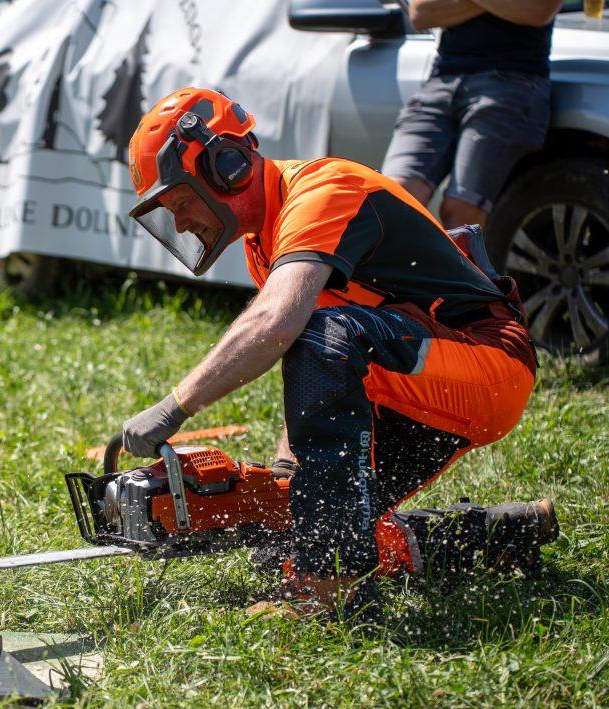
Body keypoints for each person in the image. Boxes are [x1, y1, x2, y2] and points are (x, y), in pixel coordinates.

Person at [121, 87, 556, 622]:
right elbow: (309, 355)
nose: (182, 223)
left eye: (182, 203)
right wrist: (288, 476)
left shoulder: (323, 191)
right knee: (293, 535)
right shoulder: (265, 241)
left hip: (486, 361)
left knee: (318, 339)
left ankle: (330, 594)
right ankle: (505, 530)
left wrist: (175, 407)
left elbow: (283, 326)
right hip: (409, 377)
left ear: (225, 165)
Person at [381, 0, 563, 230]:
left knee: (460, 215)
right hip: (441, 81)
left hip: (510, 83)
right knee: (390, 200)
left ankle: (458, 256)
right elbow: (421, 13)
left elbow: (538, 10)